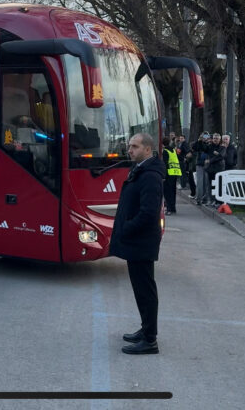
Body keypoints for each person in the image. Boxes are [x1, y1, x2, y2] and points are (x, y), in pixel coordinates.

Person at [109, 133, 165, 355]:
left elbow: (149, 213)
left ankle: (150, 340)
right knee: (141, 289)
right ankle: (146, 329)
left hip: (141, 242)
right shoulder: (142, 169)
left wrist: (126, 228)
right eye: (129, 146)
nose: (129, 150)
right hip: (138, 241)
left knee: (145, 291)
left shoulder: (150, 175)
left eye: (134, 146)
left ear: (148, 150)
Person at [205, 133, 226, 206]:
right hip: (210, 169)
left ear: (220, 139)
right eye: (214, 138)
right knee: (210, 185)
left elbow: (220, 156)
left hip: (219, 169)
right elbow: (204, 151)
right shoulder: (209, 147)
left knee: (218, 185)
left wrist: (210, 160)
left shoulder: (222, 148)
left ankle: (218, 201)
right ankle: (210, 200)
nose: (215, 140)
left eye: (217, 138)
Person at [162, 138, 181, 214]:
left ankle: (169, 209)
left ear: (162, 144)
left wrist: (163, 176)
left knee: (167, 192)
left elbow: (165, 164)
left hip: (168, 174)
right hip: (175, 172)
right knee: (173, 192)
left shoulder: (165, 151)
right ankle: (173, 208)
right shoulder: (173, 150)